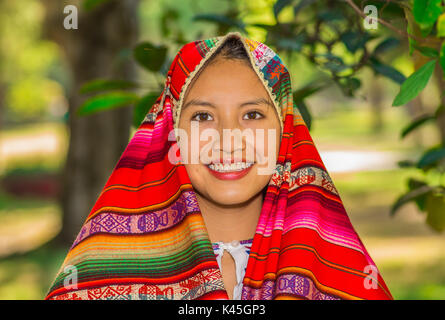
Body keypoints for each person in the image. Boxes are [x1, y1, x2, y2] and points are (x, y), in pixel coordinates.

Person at [45, 32, 393, 300]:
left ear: (285, 131)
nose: (228, 139)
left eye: (253, 114)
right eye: (203, 116)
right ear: (171, 133)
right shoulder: (105, 266)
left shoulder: (339, 268)